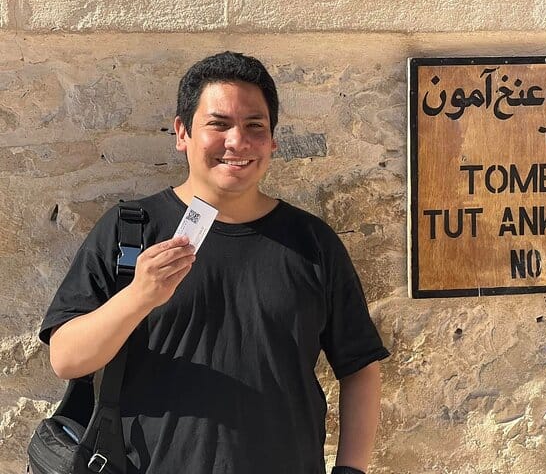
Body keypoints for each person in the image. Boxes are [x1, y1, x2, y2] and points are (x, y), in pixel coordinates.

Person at [40, 51, 390, 474]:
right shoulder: (130, 230)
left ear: (273, 140)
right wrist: (139, 296)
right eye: (219, 124)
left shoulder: (311, 242)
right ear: (182, 133)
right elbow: (66, 359)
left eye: (255, 126)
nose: (237, 142)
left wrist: (350, 470)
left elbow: (359, 367)